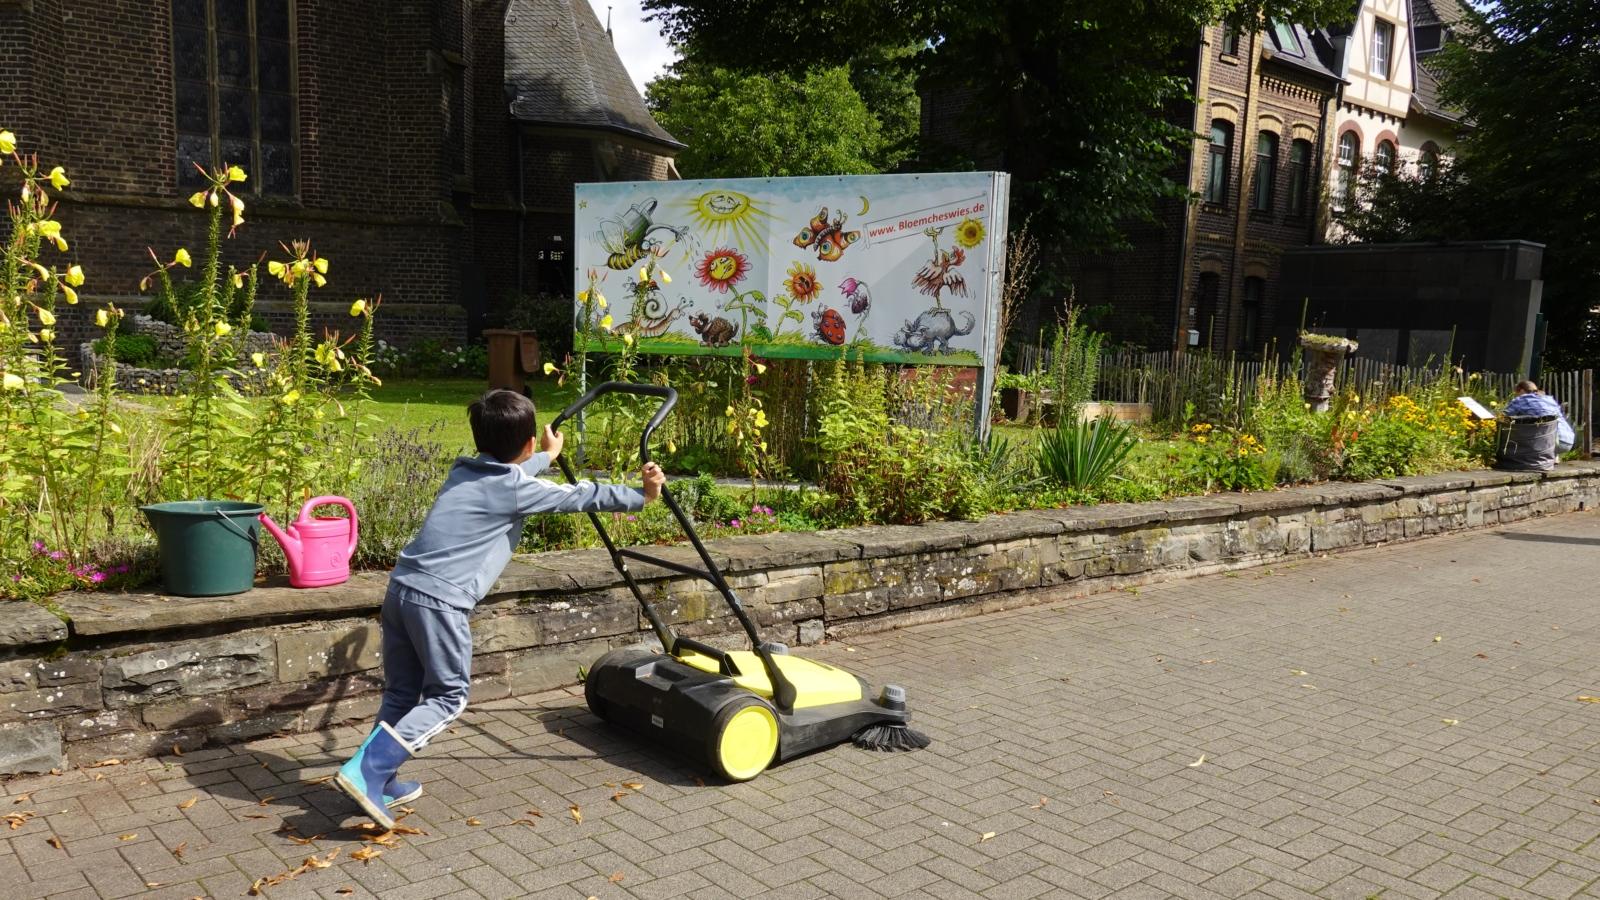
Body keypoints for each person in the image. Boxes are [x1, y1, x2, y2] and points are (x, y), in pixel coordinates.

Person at [335, 389, 665, 829]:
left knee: (401, 692)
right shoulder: (515, 489)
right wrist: (642, 496)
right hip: (440, 601)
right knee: (448, 697)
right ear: (527, 441)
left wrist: (546, 457)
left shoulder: (464, 471)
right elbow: (578, 495)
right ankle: (366, 771)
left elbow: (511, 475)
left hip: (401, 591)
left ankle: (381, 776)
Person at [1503, 380, 1575, 453]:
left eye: (1516, 393)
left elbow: (1503, 417)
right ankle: (1553, 458)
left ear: (1521, 391)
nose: (1516, 395)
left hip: (1549, 442)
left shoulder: (1521, 399)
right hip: (1568, 441)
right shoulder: (1549, 399)